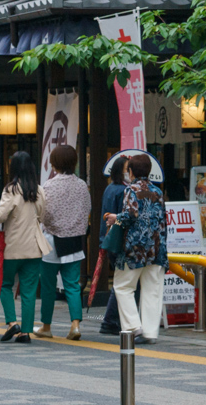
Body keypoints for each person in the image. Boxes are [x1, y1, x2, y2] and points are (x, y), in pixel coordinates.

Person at [102, 154, 168, 345]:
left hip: (134, 248)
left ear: (131, 172)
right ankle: (150, 332)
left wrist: (116, 218)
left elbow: (131, 215)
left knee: (123, 286)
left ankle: (133, 327)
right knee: (153, 289)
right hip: (156, 248)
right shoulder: (158, 191)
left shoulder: (131, 190)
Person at [0, 150, 48, 343]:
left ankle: (11, 323)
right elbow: (42, 216)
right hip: (34, 247)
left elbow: (1, 216)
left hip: (12, 248)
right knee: (29, 291)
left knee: (5, 285)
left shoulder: (11, 189)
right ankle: (25, 332)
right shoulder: (39, 190)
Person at [37, 144, 91, 340]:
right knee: (72, 285)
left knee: (48, 286)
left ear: (54, 164)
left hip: (51, 240)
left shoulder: (49, 186)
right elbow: (87, 209)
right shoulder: (82, 185)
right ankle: (75, 325)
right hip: (74, 242)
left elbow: (44, 213)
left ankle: (46, 326)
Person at [97, 156, 131, 335]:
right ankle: (110, 320)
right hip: (119, 242)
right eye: (127, 168)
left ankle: (112, 320)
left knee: (121, 281)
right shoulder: (123, 191)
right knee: (123, 283)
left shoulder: (109, 188)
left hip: (108, 241)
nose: (129, 172)